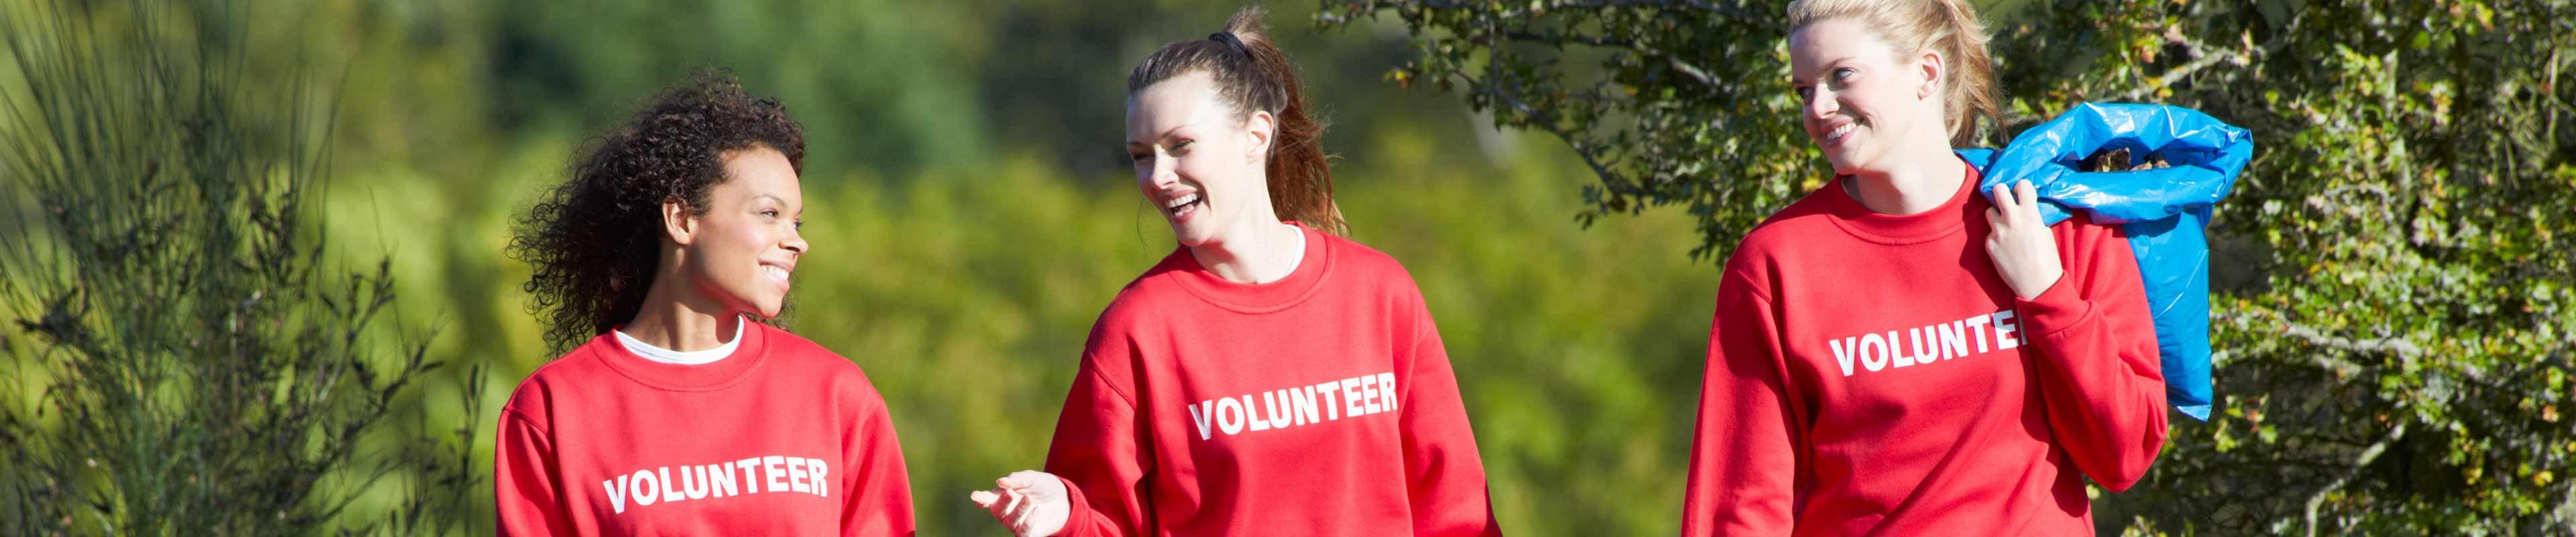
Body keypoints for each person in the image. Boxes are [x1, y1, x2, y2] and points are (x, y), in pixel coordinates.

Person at [967, 7, 1501, 536]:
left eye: (1181, 147)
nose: (1159, 176)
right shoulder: (1139, 330)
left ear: (1256, 135)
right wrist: (1065, 518)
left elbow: (1455, 508)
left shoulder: (1381, 295)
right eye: (1141, 156)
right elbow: (1107, 521)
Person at [1680, 0, 2169, 534]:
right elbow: (1741, 503)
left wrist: (2047, 294)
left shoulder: (2055, 223)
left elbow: (2125, 452)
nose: (1818, 107)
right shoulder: (1777, 264)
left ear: (1926, 73)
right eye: (1804, 90)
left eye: (1841, 76)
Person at [494, 72, 914, 536]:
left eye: (797, 222)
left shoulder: (837, 395)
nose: (796, 243)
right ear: (682, 218)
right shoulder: (553, 408)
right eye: (770, 214)